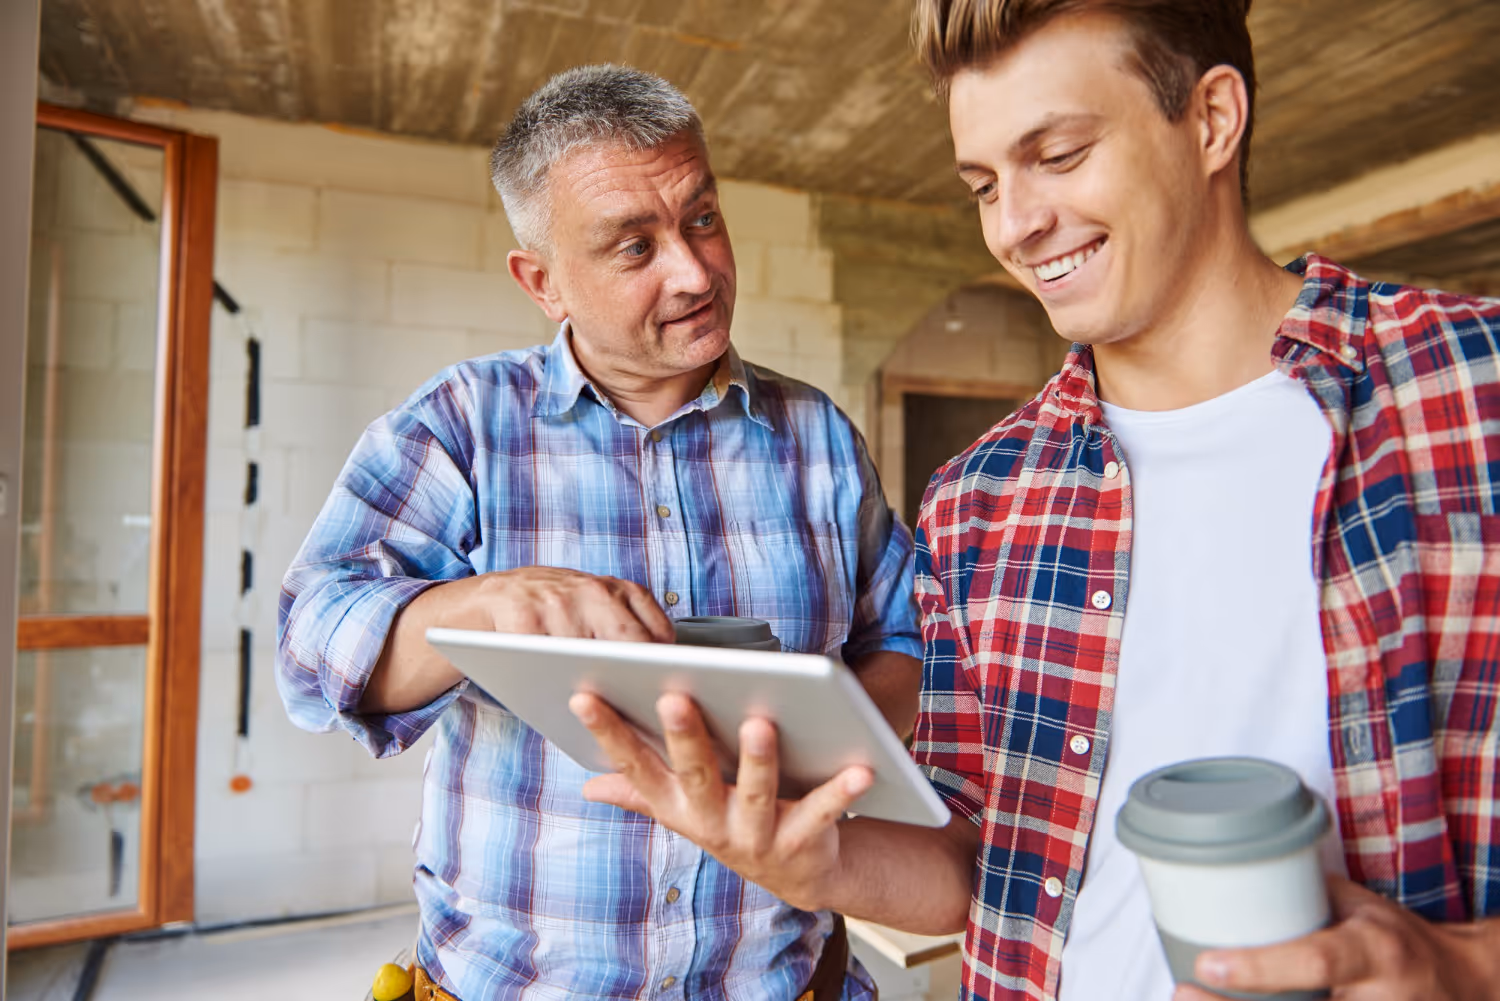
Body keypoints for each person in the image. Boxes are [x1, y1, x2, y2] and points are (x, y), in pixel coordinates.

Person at [569, 3, 1500, 999]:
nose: (1015, 225)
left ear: (1214, 119)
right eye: (984, 183)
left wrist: (1457, 963)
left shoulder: (1467, 389)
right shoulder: (981, 497)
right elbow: (974, 856)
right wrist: (814, 861)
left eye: (1056, 154)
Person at [276, 64, 922, 1001]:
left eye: (702, 217)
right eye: (634, 246)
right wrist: (472, 607)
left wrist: (806, 755)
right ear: (543, 282)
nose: (695, 271)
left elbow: (903, 639)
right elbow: (308, 650)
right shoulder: (460, 424)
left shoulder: (817, 437)